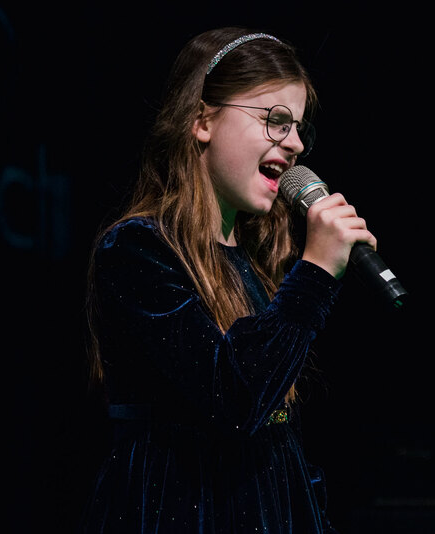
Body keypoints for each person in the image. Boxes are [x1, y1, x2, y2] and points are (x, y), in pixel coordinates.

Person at [80, 27, 375, 533]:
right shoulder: (136, 250)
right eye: (275, 121)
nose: (295, 144)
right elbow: (234, 400)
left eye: (298, 127)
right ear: (202, 122)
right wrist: (315, 274)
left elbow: (280, 440)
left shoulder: (258, 259)